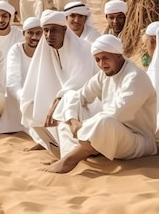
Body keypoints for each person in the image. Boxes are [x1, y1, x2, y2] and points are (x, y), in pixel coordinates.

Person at [44, 35, 157, 173]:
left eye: (105, 58)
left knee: (105, 121)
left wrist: (83, 127)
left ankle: (71, 160)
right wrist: (74, 122)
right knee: (68, 96)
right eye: (97, 60)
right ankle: (70, 153)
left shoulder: (135, 77)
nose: (101, 64)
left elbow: (117, 114)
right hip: (109, 134)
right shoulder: (104, 75)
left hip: (138, 141)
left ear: (118, 55)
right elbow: (80, 96)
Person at [20, 10, 97, 149]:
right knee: (29, 106)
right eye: (46, 31)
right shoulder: (46, 48)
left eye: (54, 31)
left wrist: (59, 99)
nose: (49, 35)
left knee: (64, 107)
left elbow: (81, 80)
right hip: (61, 97)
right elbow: (35, 80)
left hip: (87, 100)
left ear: (64, 30)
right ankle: (48, 142)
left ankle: (71, 152)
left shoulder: (82, 49)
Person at [0, 17, 42, 133]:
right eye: (30, 33)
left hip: (40, 93)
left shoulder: (46, 50)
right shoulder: (16, 50)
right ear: (24, 33)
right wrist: (25, 98)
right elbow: (12, 82)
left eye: (38, 33)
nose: (34, 37)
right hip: (18, 95)